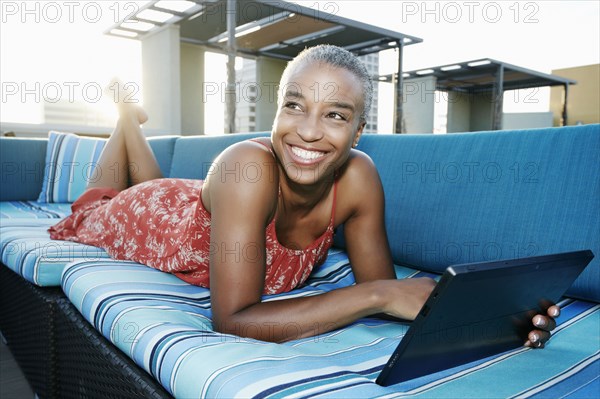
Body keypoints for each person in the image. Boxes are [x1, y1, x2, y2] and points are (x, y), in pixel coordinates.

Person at [49, 45, 559, 345]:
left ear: (359, 131)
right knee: (101, 202)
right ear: (276, 113)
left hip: (203, 202)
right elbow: (234, 319)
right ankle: (123, 117)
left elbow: (388, 294)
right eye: (294, 106)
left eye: (335, 115)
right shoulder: (246, 165)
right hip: (153, 219)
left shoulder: (359, 177)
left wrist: (492, 321)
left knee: (148, 182)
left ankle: (127, 121)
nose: (308, 132)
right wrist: (380, 294)